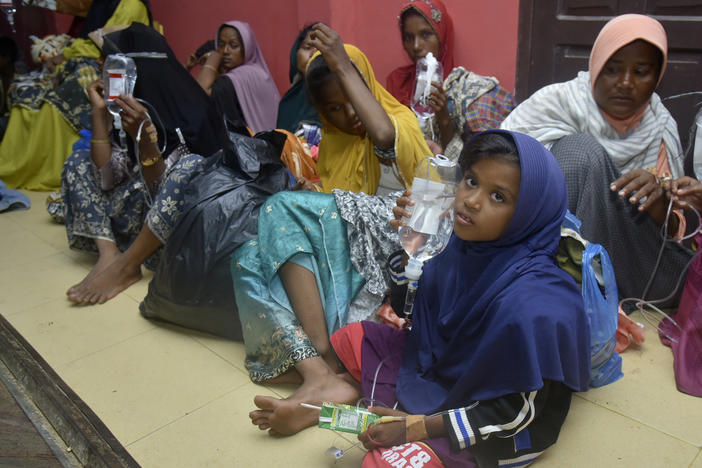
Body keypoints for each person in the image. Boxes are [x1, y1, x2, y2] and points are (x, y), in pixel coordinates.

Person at [249, 131, 590, 468]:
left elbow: (515, 413)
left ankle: (349, 395)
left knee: (382, 464)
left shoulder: (538, 306)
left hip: (492, 427)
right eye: (471, 181)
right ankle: (334, 395)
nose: (471, 200)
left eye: (498, 197)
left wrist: (416, 428)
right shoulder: (464, 246)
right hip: (442, 373)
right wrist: (412, 246)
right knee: (352, 338)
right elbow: (410, 312)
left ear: (529, 213)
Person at [501, 14, 693, 307]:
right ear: (595, 66)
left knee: (688, 279)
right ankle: (571, 290)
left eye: (641, 72)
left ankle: (593, 292)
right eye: (613, 70)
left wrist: (657, 202)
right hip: (544, 247)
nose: (626, 83)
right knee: (581, 151)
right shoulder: (558, 103)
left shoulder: (659, 126)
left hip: (622, 253)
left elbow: (671, 230)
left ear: (657, 76)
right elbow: (499, 167)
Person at [62, 22, 224, 305]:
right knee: (77, 160)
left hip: (172, 232)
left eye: (111, 61)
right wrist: (100, 114)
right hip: (135, 218)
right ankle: (108, 253)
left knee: (189, 167)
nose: (102, 65)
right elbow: (107, 178)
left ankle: (128, 265)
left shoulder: (192, 111)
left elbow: (170, 192)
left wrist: (145, 138)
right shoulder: (126, 105)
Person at [0, 0, 151, 190]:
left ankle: (54, 169)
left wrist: (67, 54)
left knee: (53, 105)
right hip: (81, 60)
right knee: (26, 95)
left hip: (108, 70)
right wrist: (67, 53)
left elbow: (109, 45)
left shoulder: (131, 4)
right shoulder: (103, 5)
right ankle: (15, 166)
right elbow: (88, 39)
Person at [305, 23, 430, 195]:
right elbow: (339, 196)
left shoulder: (401, 122)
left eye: (354, 100)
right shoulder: (334, 145)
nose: (350, 113)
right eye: (335, 108)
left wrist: (344, 68)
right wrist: (315, 192)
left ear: (367, 88)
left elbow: (384, 136)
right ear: (323, 114)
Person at [386, 0, 515, 160]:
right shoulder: (399, 83)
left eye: (425, 34)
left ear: (442, 35)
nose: (417, 45)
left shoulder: (468, 91)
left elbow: (479, 163)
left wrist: (444, 119)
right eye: (408, 37)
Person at [191, 20, 280, 134]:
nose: (225, 51)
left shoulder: (239, 77)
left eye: (233, 46)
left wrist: (214, 57)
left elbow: (200, 92)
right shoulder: (259, 73)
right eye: (221, 45)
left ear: (247, 47)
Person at [276, 23, 322, 133]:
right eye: (307, 47)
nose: (313, 54)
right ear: (295, 53)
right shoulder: (289, 101)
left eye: (320, 49)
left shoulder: (339, 95)